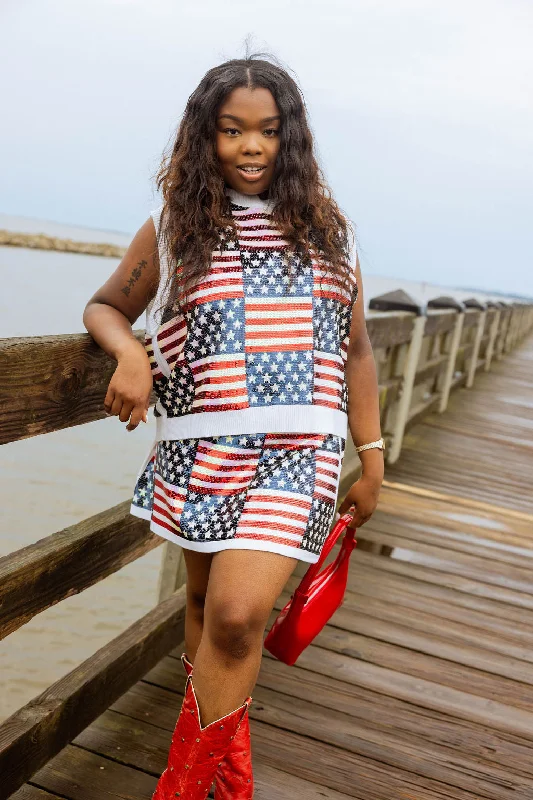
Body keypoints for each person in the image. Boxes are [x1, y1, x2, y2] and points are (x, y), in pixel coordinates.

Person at [83, 54, 383, 800]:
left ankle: (180, 790)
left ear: (291, 139)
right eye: (231, 130)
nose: (251, 146)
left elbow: (357, 350)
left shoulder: (329, 235)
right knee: (202, 613)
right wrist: (129, 353)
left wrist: (370, 455)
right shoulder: (178, 229)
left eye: (268, 131)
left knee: (236, 613)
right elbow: (105, 307)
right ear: (204, 137)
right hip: (202, 447)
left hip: (299, 451)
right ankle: (227, 781)